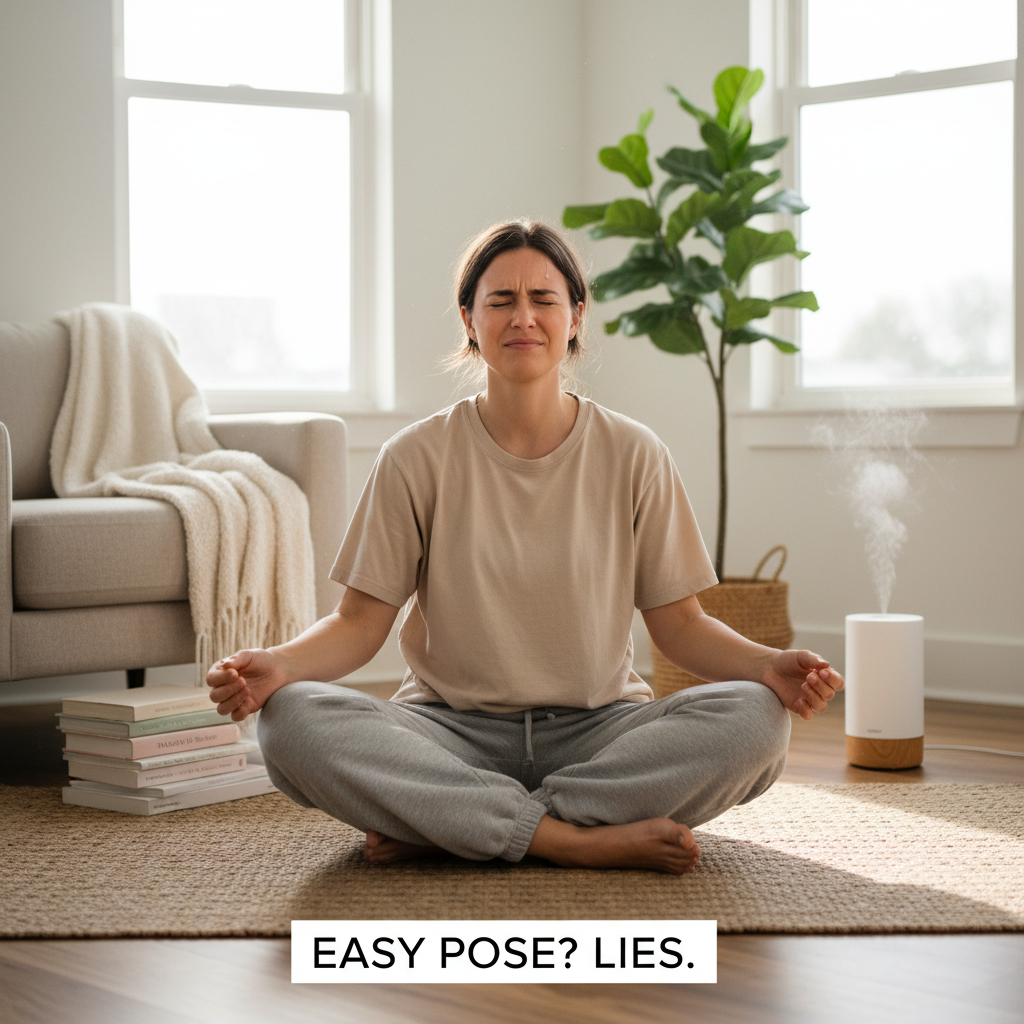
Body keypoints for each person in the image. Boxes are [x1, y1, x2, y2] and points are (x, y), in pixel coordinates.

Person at [207, 220, 843, 876]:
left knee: (757, 722)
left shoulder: (635, 452)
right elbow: (359, 625)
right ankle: (570, 839)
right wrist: (278, 666)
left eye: (543, 299)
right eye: (500, 300)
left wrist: (767, 666)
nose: (524, 317)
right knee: (289, 723)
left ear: (575, 316)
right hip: (447, 732)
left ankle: (449, 825)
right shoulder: (414, 457)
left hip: (602, 734)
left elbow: (680, 627)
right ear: (469, 320)